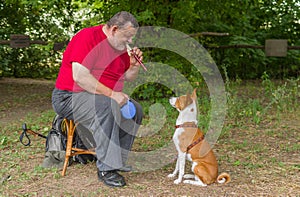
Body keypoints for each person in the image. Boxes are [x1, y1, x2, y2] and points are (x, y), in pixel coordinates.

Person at [51, 11, 143, 187]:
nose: (130, 41)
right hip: (68, 97)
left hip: (97, 96)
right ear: (114, 29)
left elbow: (128, 77)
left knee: (136, 110)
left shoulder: (121, 49)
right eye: (128, 36)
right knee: (107, 105)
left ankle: (119, 160)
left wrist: (134, 65)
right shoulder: (87, 37)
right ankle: (106, 169)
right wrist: (112, 95)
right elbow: (80, 77)